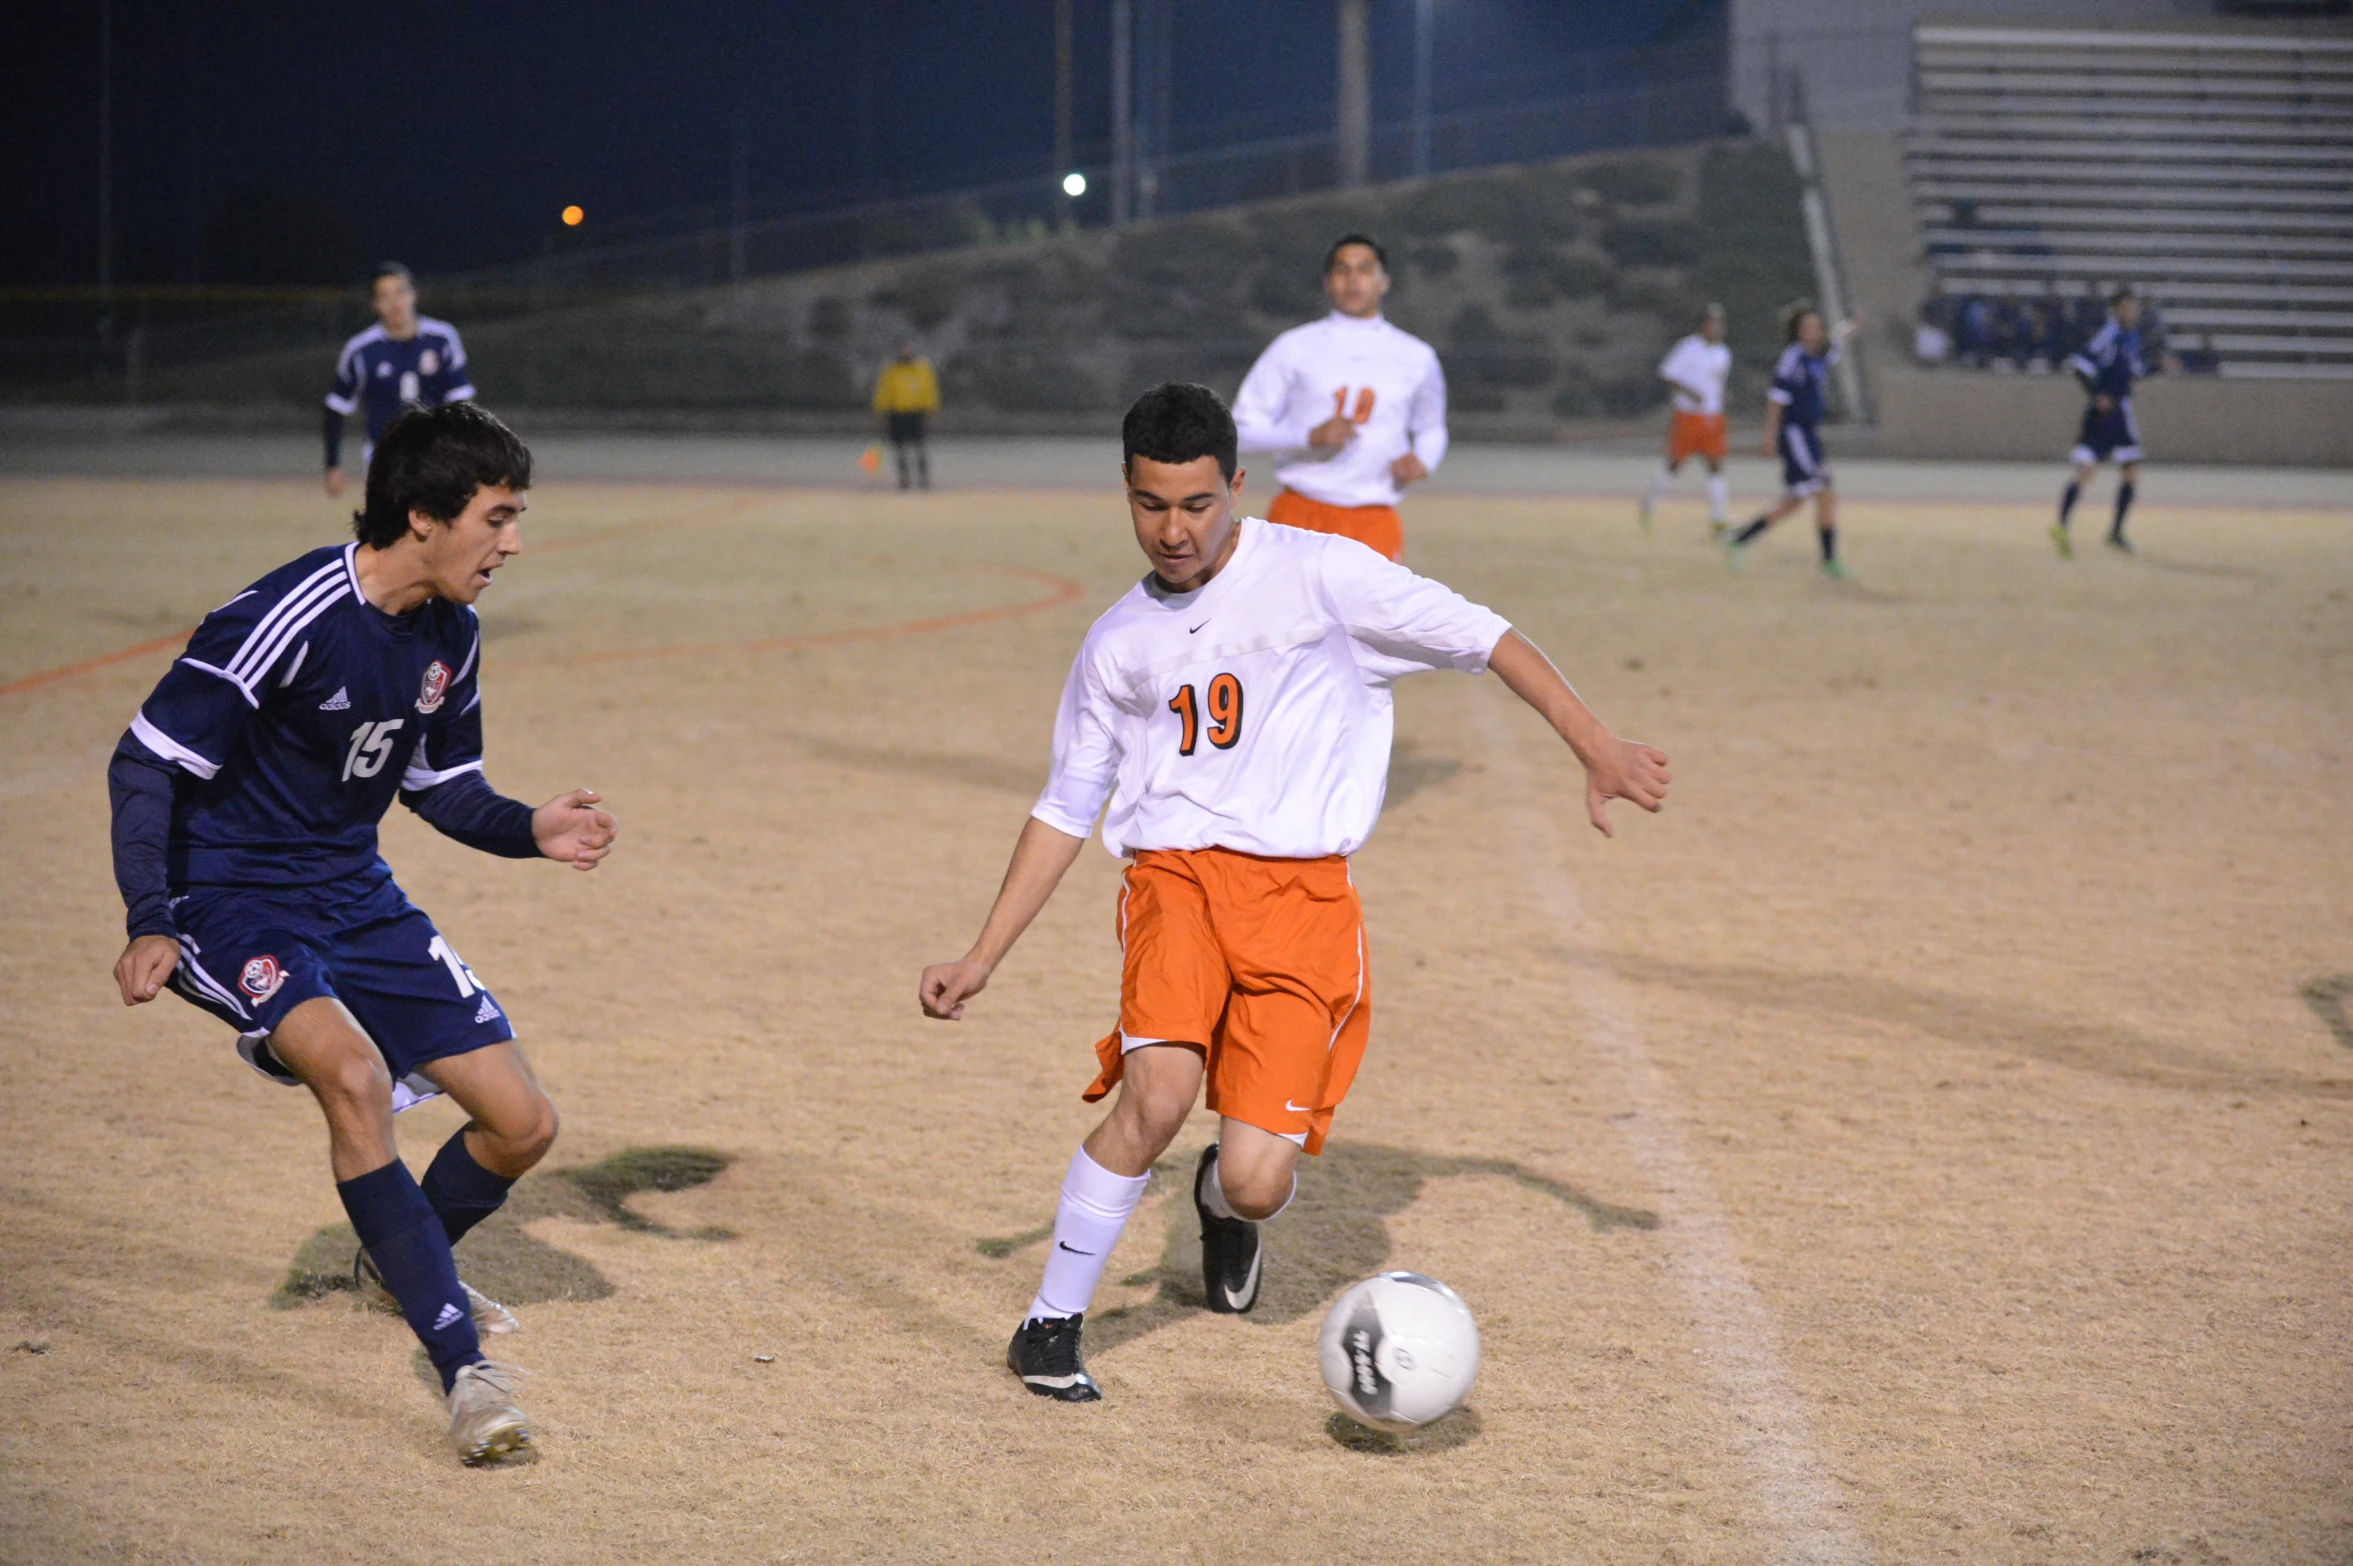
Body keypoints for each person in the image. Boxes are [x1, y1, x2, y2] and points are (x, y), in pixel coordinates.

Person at [917, 383, 1669, 1402]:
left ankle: (1221, 1208)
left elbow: (1485, 635)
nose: (1172, 530)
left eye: (1194, 504)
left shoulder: (1322, 577)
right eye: (1149, 505)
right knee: (1157, 1096)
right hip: (1174, 886)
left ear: (1235, 485)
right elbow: (1063, 808)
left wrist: (1595, 744)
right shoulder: (1115, 643)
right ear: (1125, 495)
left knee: (1257, 1179)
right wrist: (980, 956)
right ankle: (1049, 1326)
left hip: (1302, 905)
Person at [107, 402, 617, 1464]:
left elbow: (440, 785)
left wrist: (531, 827)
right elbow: (146, 760)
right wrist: (152, 917)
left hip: (356, 894)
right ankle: (462, 1372)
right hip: (230, 898)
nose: (513, 542)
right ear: (424, 518)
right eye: (498, 516)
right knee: (349, 1075)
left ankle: (398, 1262)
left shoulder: (452, 635)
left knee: (523, 1124)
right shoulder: (285, 613)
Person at [1230, 234, 1446, 562]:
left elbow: (1432, 427)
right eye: (1342, 270)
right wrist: (1309, 436)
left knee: (1368, 616)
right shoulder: (1293, 347)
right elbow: (1240, 433)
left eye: (1364, 269)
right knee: (1286, 614)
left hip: (1373, 517)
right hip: (1299, 510)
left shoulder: (1416, 355)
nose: (1353, 279)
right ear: (1328, 282)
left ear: (1384, 282)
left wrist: (1423, 459)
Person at [1724, 302, 1858, 581]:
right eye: (1806, 327)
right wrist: (1769, 436)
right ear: (1797, 331)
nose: (1812, 332)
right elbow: (1776, 400)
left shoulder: (1816, 358)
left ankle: (1740, 539)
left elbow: (1837, 343)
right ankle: (1829, 560)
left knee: (1794, 501)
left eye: (1815, 327)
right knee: (1825, 493)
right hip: (1797, 435)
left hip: (1809, 436)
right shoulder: (1793, 359)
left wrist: (1853, 325)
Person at [324, 263, 475, 498]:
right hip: (384, 457)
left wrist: (465, 454)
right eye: (385, 296)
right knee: (393, 530)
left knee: (439, 528)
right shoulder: (362, 350)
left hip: (436, 455)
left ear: (413, 294)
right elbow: (335, 408)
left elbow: (461, 402)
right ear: (375, 304)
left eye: (400, 292)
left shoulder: (441, 338)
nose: (395, 303)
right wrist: (333, 465)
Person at [2052, 287, 2160, 558]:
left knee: (2131, 471)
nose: (2130, 312)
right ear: (2114, 310)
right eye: (2125, 307)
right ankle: (2062, 527)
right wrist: (2096, 395)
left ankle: (2115, 532)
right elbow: (2079, 365)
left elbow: (2133, 372)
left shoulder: (2130, 337)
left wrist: (2158, 366)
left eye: (2132, 307)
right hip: (2104, 415)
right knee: (2086, 470)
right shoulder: (2109, 335)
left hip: (2122, 414)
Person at [1638, 303, 1734, 535]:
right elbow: (1668, 374)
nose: (1717, 328)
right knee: (1675, 463)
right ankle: (1650, 501)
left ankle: (1718, 517)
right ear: (1703, 325)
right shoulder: (1688, 348)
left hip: (1712, 417)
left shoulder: (1723, 353)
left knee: (1715, 464)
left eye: (1719, 323)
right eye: (1712, 323)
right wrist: (1689, 391)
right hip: (1689, 416)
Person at [872, 341, 940, 490]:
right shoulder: (891, 370)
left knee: (920, 447)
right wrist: (881, 410)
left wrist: (931, 409)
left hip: (917, 413)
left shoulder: (922, 368)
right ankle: (904, 480)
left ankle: (924, 480)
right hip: (897, 413)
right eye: (903, 349)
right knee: (900, 449)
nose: (906, 352)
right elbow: (884, 391)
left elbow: (929, 390)